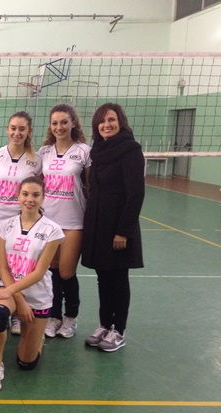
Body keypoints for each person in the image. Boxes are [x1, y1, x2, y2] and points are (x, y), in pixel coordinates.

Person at [0, 176, 64, 391]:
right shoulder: (6, 226)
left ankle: (36, 339)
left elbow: (39, 273)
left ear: (43, 198)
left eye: (36, 195)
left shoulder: (53, 230)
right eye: (25, 194)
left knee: (26, 363)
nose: (30, 199)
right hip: (10, 289)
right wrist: (18, 300)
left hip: (38, 295)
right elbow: (2, 269)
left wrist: (17, 296)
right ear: (18, 196)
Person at [82, 103, 145, 352]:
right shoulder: (98, 150)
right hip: (98, 224)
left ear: (121, 122)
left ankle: (119, 330)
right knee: (103, 277)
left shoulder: (130, 150)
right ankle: (105, 324)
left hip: (118, 227)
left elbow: (136, 194)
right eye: (102, 121)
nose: (106, 124)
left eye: (111, 120)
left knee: (118, 278)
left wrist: (123, 231)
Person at [0, 111, 42, 334]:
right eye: (13, 128)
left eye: (22, 129)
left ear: (29, 131)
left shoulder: (36, 160)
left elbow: (38, 190)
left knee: (21, 268)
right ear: (7, 129)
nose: (17, 133)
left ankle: (18, 312)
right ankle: (1, 307)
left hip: (23, 223)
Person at [38, 104, 92, 339]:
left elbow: (90, 186)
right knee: (51, 270)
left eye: (63, 122)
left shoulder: (84, 151)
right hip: (48, 221)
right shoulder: (44, 152)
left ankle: (71, 317)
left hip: (73, 221)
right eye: (55, 123)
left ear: (73, 123)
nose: (59, 127)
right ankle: (54, 316)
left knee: (67, 271)